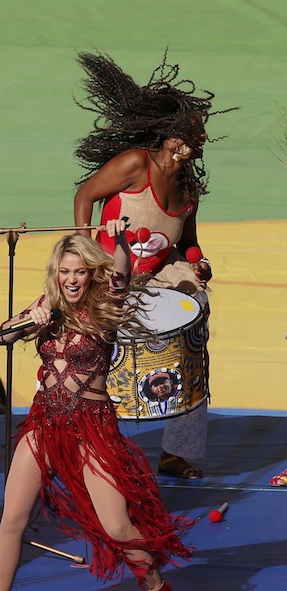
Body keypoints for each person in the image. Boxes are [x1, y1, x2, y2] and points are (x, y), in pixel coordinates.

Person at [0, 221, 191, 591]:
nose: (71, 279)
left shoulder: (103, 306)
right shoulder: (46, 305)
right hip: (44, 423)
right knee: (12, 520)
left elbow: (121, 274)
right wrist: (27, 322)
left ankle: (158, 587)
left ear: (90, 274)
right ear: (56, 273)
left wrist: (118, 241)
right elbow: (0, 335)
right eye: (64, 271)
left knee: (117, 526)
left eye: (79, 272)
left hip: (91, 428)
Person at [72, 50, 230, 479]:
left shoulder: (188, 188)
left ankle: (176, 450)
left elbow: (191, 245)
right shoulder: (135, 163)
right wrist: (85, 253)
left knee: (195, 322)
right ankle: (79, 442)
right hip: (109, 265)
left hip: (162, 270)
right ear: (171, 137)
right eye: (192, 135)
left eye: (199, 136)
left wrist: (200, 266)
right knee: (86, 349)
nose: (198, 143)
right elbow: (85, 196)